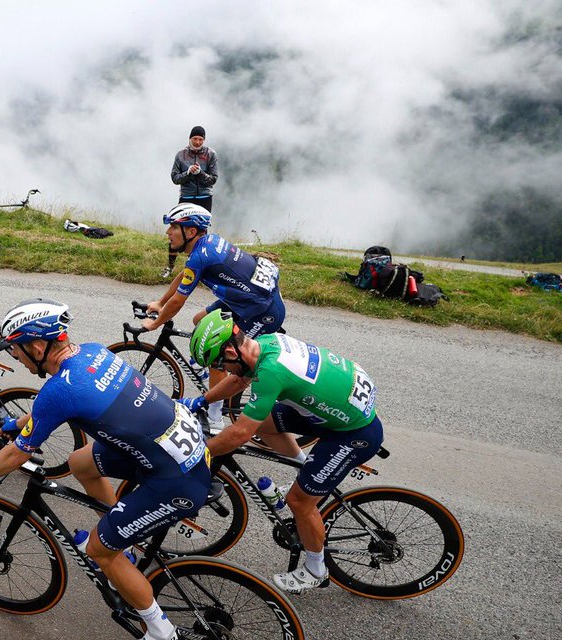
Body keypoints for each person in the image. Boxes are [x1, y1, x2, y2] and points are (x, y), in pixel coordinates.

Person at [0, 299, 213, 640]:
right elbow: (51, 405)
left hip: (176, 481)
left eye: (18, 350)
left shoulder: (62, 389)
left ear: (38, 347)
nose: (20, 359)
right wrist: (21, 423)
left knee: (100, 551)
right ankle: (125, 538)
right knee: (80, 461)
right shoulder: (92, 353)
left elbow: (16, 455)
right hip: (180, 454)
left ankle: (160, 631)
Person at [184, 309, 384, 594]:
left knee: (299, 502)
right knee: (265, 424)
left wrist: (198, 455)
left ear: (231, 349)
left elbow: (240, 433)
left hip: (355, 433)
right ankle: (307, 468)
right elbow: (240, 380)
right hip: (338, 410)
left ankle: (316, 569)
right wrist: (200, 400)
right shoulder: (264, 344)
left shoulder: (271, 371)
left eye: (221, 364)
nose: (223, 370)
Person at [143, 203, 285, 432]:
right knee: (199, 320)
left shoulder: (202, 256)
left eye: (173, 227)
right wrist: (160, 303)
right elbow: (184, 275)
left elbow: (179, 300)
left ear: (190, 231)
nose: (168, 233)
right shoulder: (205, 246)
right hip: (245, 301)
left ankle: (215, 420)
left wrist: (155, 323)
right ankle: (204, 371)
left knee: (220, 357)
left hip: (262, 312)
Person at [167, 126, 218, 274]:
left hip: (204, 197)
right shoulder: (181, 155)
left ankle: (200, 269)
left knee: (202, 232)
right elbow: (175, 178)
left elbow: (213, 180)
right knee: (177, 229)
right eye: (195, 139)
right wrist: (188, 173)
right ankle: (169, 267)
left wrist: (200, 173)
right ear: (190, 138)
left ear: (204, 140)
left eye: (200, 139)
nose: (197, 142)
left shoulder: (211, 154)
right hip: (187, 196)